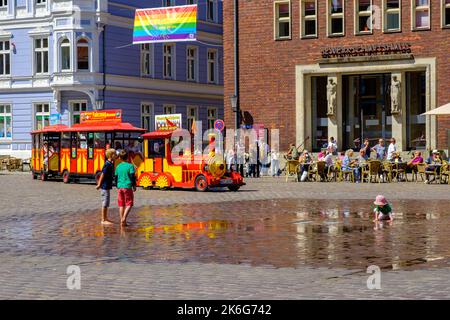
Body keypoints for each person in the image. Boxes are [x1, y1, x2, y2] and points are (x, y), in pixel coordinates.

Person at [115, 150, 137, 227]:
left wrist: (117, 185)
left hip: (119, 186)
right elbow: (132, 177)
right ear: (127, 157)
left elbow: (116, 177)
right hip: (127, 186)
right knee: (129, 203)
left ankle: (122, 222)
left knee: (121, 204)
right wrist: (134, 185)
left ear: (120, 158)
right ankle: (124, 218)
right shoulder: (130, 166)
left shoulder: (118, 166)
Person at [96, 148, 116, 225]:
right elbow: (102, 174)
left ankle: (105, 218)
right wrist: (99, 184)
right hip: (104, 186)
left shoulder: (110, 163)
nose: (116, 155)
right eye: (115, 154)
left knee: (107, 202)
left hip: (107, 186)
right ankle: (103, 219)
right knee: (105, 202)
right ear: (111, 155)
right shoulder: (107, 164)